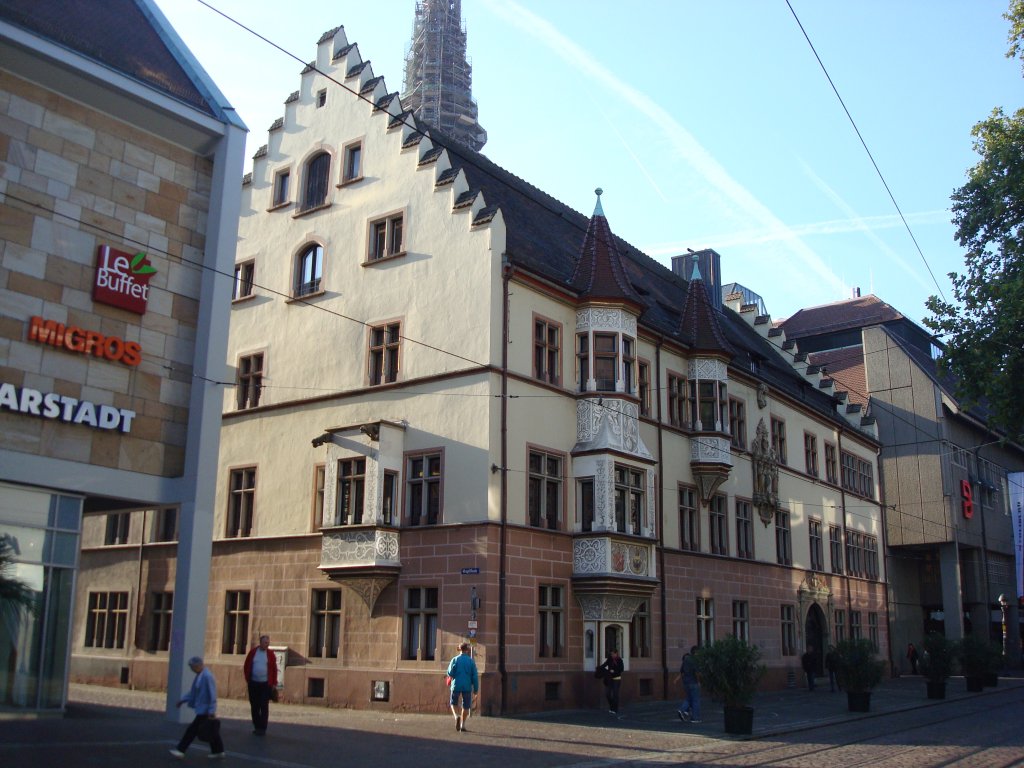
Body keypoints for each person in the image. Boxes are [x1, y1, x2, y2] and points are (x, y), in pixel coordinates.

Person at [169, 656, 225, 760]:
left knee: (192, 730)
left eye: (193, 667)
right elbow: (193, 692)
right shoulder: (200, 676)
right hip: (202, 709)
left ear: (198, 666)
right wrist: (182, 700)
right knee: (210, 730)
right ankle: (218, 750)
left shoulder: (207, 676)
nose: (192, 670)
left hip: (205, 710)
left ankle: (181, 750)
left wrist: (212, 710)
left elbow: (212, 694)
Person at [243, 634, 279, 735]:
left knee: (264, 706)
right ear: (260, 643)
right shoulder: (253, 652)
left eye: (268, 643)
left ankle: (262, 728)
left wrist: (273, 683)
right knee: (254, 706)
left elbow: (274, 669)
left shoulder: (270, 654)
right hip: (253, 683)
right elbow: (247, 665)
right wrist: (247, 678)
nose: (267, 645)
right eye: (265, 642)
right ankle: (257, 726)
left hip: (265, 684)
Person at [446, 642, 479, 732]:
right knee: (466, 706)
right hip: (467, 686)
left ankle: (456, 716)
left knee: (453, 703)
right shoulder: (471, 661)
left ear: (459, 649)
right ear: (467, 650)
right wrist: (476, 689)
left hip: (456, 684)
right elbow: (475, 676)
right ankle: (462, 725)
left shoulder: (455, 660)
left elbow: (449, 673)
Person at [674, 646, 702, 723]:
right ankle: (695, 718)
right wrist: (699, 681)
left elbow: (682, 671)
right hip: (693, 682)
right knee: (695, 700)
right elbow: (696, 672)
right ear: (696, 652)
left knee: (689, 698)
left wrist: (677, 679)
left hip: (686, 682)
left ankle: (682, 710)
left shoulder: (686, 659)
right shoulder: (695, 660)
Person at [598, 649, 624, 714]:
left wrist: (614, 671)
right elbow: (605, 664)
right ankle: (611, 706)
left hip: (617, 679)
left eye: (613, 654)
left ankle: (615, 709)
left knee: (615, 694)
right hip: (610, 679)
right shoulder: (609, 659)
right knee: (607, 693)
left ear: (616, 653)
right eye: (611, 654)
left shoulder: (619, 660)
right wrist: (599, 668)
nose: (612, 655)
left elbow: (621, 669)